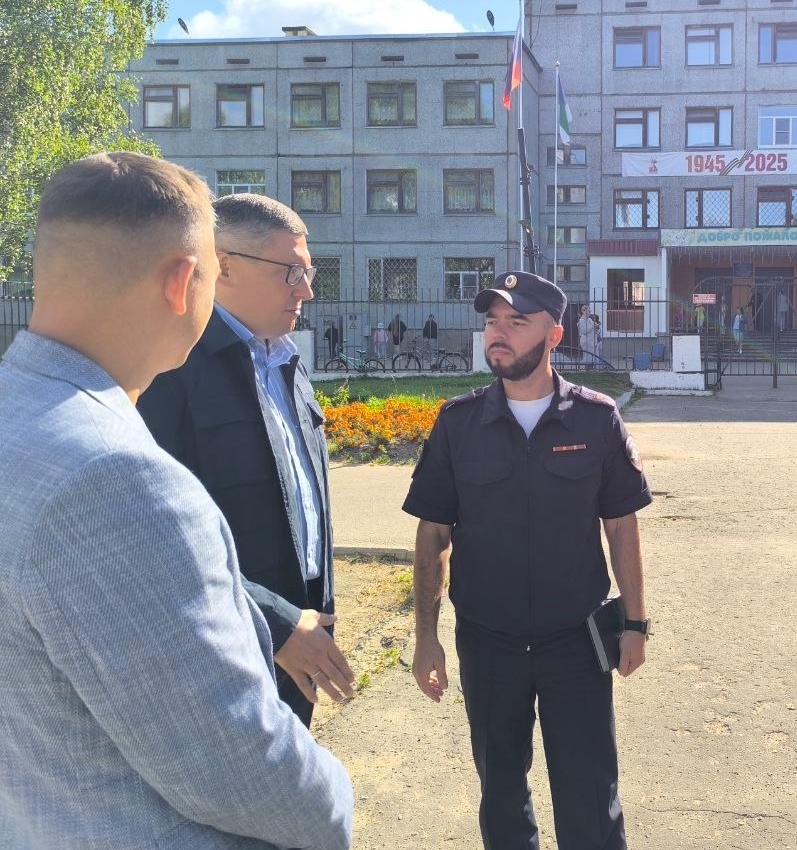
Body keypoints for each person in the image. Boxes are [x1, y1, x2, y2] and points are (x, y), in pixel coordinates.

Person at [0, 152, 352, 849]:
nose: (305, 290)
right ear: (185, 280)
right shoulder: (115, 478)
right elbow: (238, 769)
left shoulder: (22, 412)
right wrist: (336, 793)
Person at [405, 271, 652, 850]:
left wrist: (636, 624)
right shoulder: (458, 423)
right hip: (488, 643)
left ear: (554, 335)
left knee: (590, 793)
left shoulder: (595, 419)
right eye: (493, 320)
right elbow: (433, 534)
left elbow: (621, 525)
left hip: (577, 642)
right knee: (501, 795)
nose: (499, 332)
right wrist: (425, 636)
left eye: (517, 321)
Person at [138, 193, 354, 727]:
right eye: (290, 273)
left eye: (308, 273)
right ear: (225, 266)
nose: (307, 290)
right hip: (218, 649)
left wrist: (310, 618)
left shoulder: (284, 360)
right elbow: (155, 534)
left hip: (302, 632)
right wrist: (277, 625)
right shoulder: (169, 368)